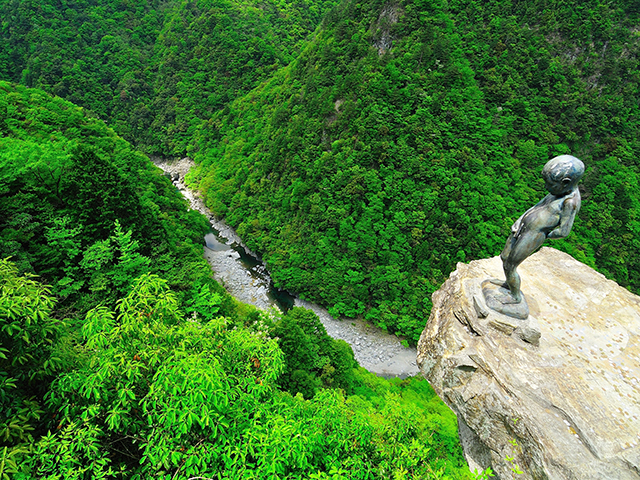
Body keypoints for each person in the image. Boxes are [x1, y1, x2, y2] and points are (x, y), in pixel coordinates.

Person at [485, 155, 584, 316]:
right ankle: (509, 284)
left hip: (533, 235)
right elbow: (538, 205)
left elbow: (564, 231)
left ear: (566, 182)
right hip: (523, 227)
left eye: (549, 184)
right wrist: (520, 220)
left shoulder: (569, 202)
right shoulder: (558, 191)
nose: (546, 187)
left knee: (511, 265)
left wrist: (542, 233)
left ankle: (515, 298)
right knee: (504, 257)